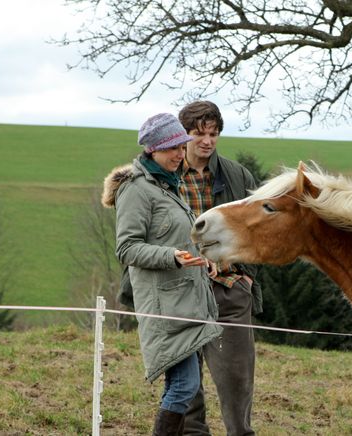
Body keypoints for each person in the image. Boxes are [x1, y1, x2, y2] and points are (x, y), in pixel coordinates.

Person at [101, 113, 222, 436]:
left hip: (187, 302)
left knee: (184, 385)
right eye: (172, 149)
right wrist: (172, 257)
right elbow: (127, 249)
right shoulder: (136, 189)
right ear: (152, 150)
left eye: (181, 148)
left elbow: (177, 238)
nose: (179, 155)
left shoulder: (169, 184)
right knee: (184, 386)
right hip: (164, 306)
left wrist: (202, 259)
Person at [178, 101, 261, 436]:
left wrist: (243, 275)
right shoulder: (165, 174)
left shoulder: (237, 175)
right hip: (181, 291)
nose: (207, 141)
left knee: (237, 381)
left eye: (213, 134)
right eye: (199, 133)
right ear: (182, 135)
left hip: (229, 290)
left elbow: (257, 229)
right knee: (185, 383)